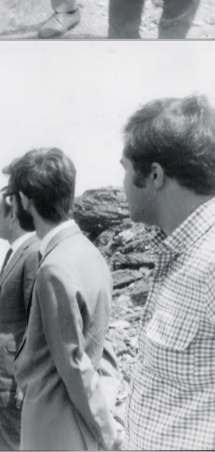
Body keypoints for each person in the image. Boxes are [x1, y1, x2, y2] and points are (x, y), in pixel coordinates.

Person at [5, 149, 121, 452]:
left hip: (52, 429)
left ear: (26, 200)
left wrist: (108, 432)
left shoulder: (55, 266)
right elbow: (100, 348)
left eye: (13, 197)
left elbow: (73, 365)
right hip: (80, 425)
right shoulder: (90, 254)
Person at [121, 95, 215, 451]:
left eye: (126, 169)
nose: (124, 184)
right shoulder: (184, 252)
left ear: (155, 176)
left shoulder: (211, 260)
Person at [0, 190, 40, 450]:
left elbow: (35, 318)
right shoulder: (15, 253)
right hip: (7, 377)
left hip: (15, 378)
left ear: (12, 215)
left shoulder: (31, 253)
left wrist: (25, 378)